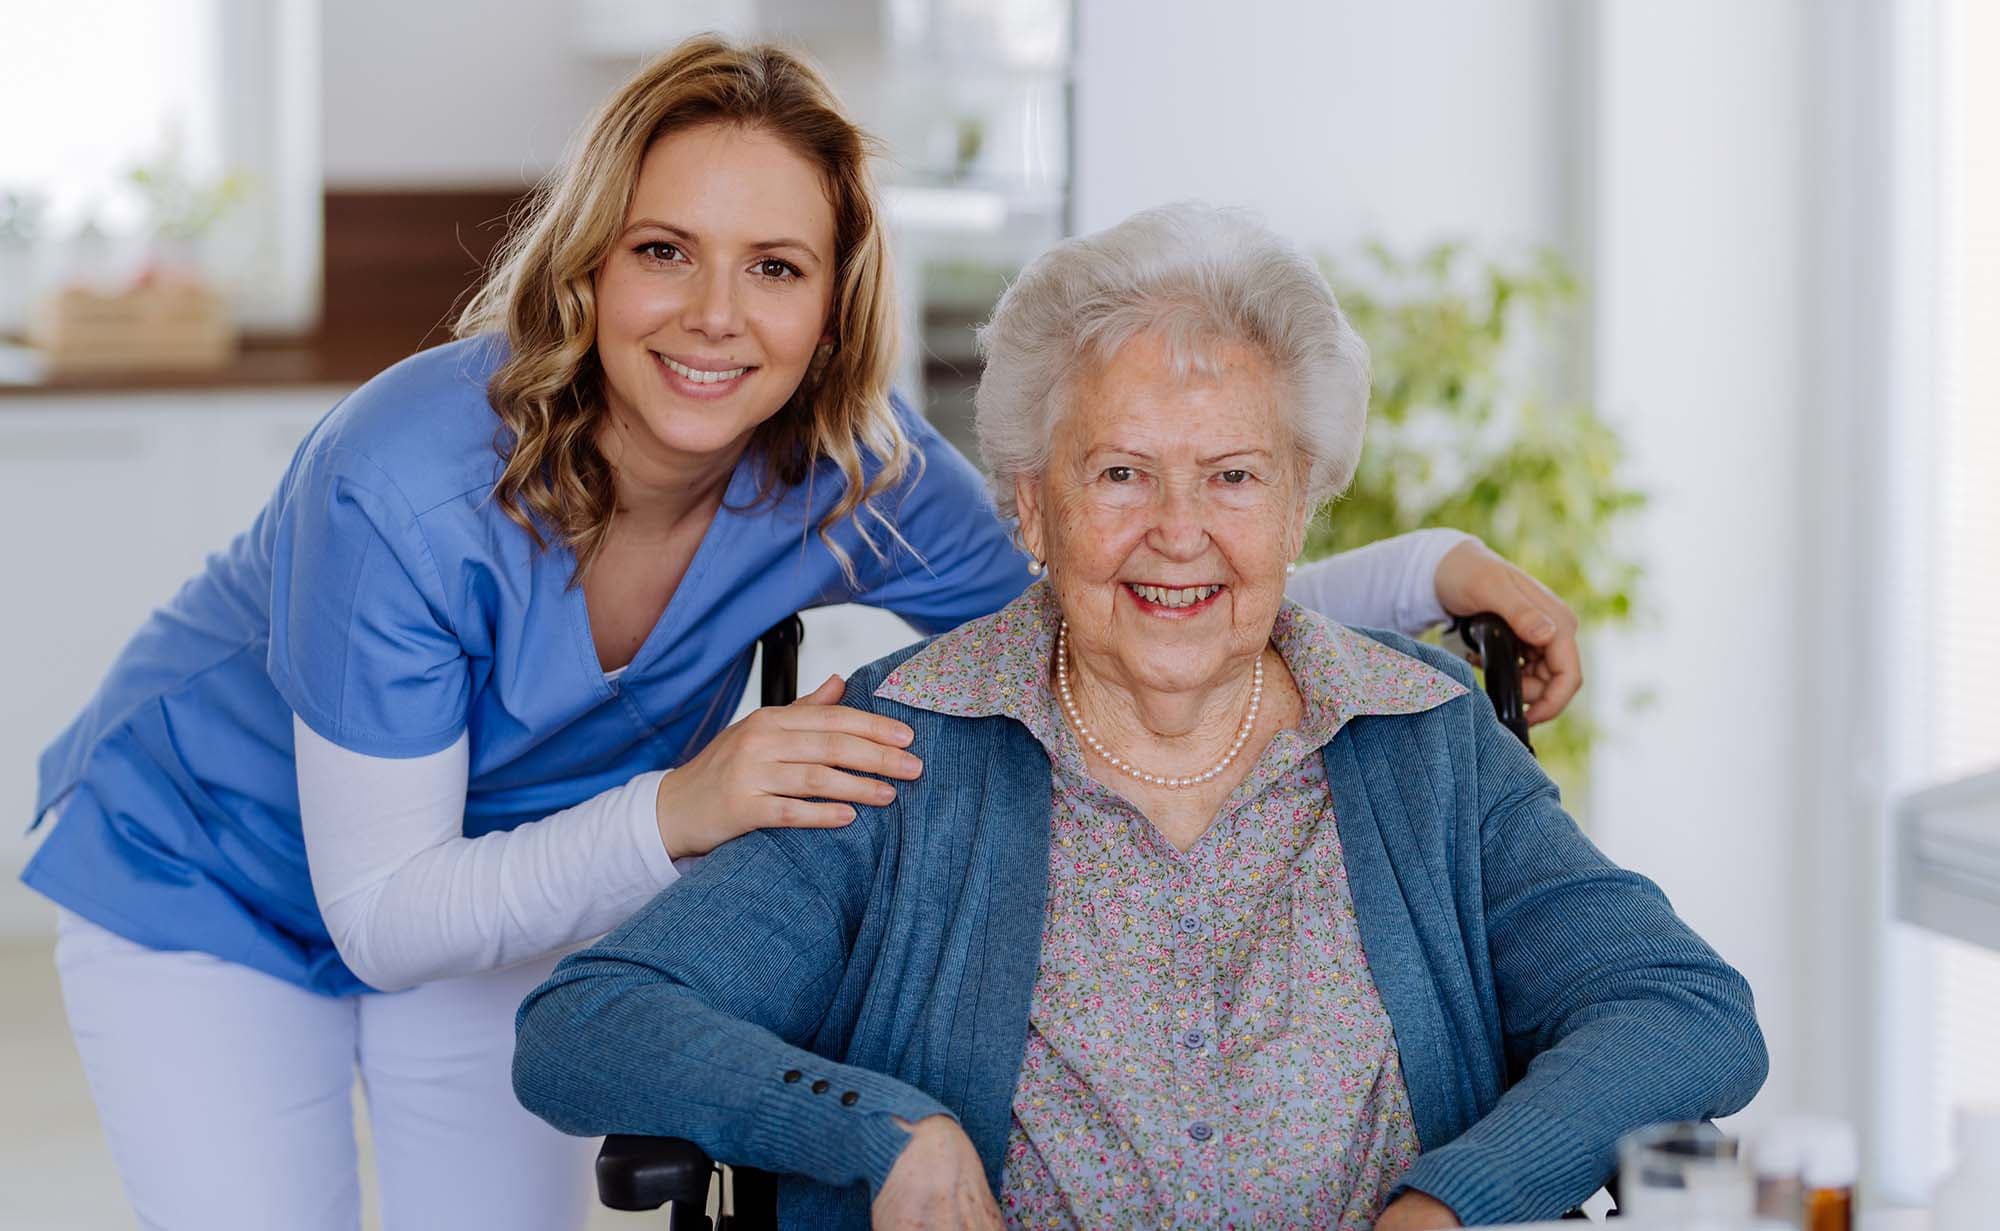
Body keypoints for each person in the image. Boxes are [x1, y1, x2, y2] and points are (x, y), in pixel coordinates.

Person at [25, 40, 1579, 1231]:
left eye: (774, 267)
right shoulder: (402, 481)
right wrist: (692, 804)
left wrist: (1419, 574)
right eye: (663, 250)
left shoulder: (849, 467)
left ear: (833, 304)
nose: (715, 316)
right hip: (210, 876)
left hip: (497, 881)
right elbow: (382, 912)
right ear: (586, 258)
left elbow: (1122, 583)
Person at [512, 204, 1767, 1231]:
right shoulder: (905, 748)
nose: (1179, 531)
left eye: (1232, 476)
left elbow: (1682, 1007)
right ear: (1029, 507)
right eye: (1119, 473)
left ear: (1300, 504)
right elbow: (591, 1024)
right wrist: (877, 1129)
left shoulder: (1420, 737)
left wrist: (1458, 1201)